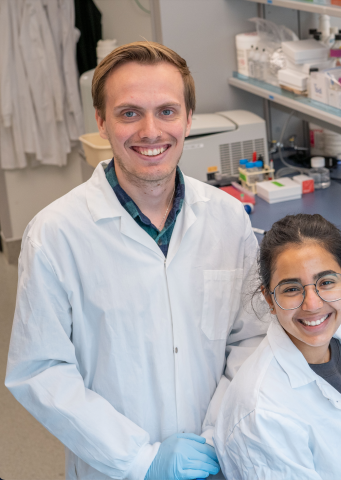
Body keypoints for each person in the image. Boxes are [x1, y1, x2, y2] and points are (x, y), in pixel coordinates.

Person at [5, 42, 268, 480]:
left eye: (167, 111)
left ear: (188, 119)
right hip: (116, 468)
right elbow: (42, 371)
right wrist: (140, 461)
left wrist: (215, 433)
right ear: (102, 122)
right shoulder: (55, 234)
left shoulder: (226, 218)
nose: (151, 131)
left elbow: (250, 339)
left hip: (218, 456)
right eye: (129, 113)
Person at [214, 214, 341, 480]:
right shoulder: (263, 411)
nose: (312, 304)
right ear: (269, 298)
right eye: (291, 289)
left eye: (326, 283)